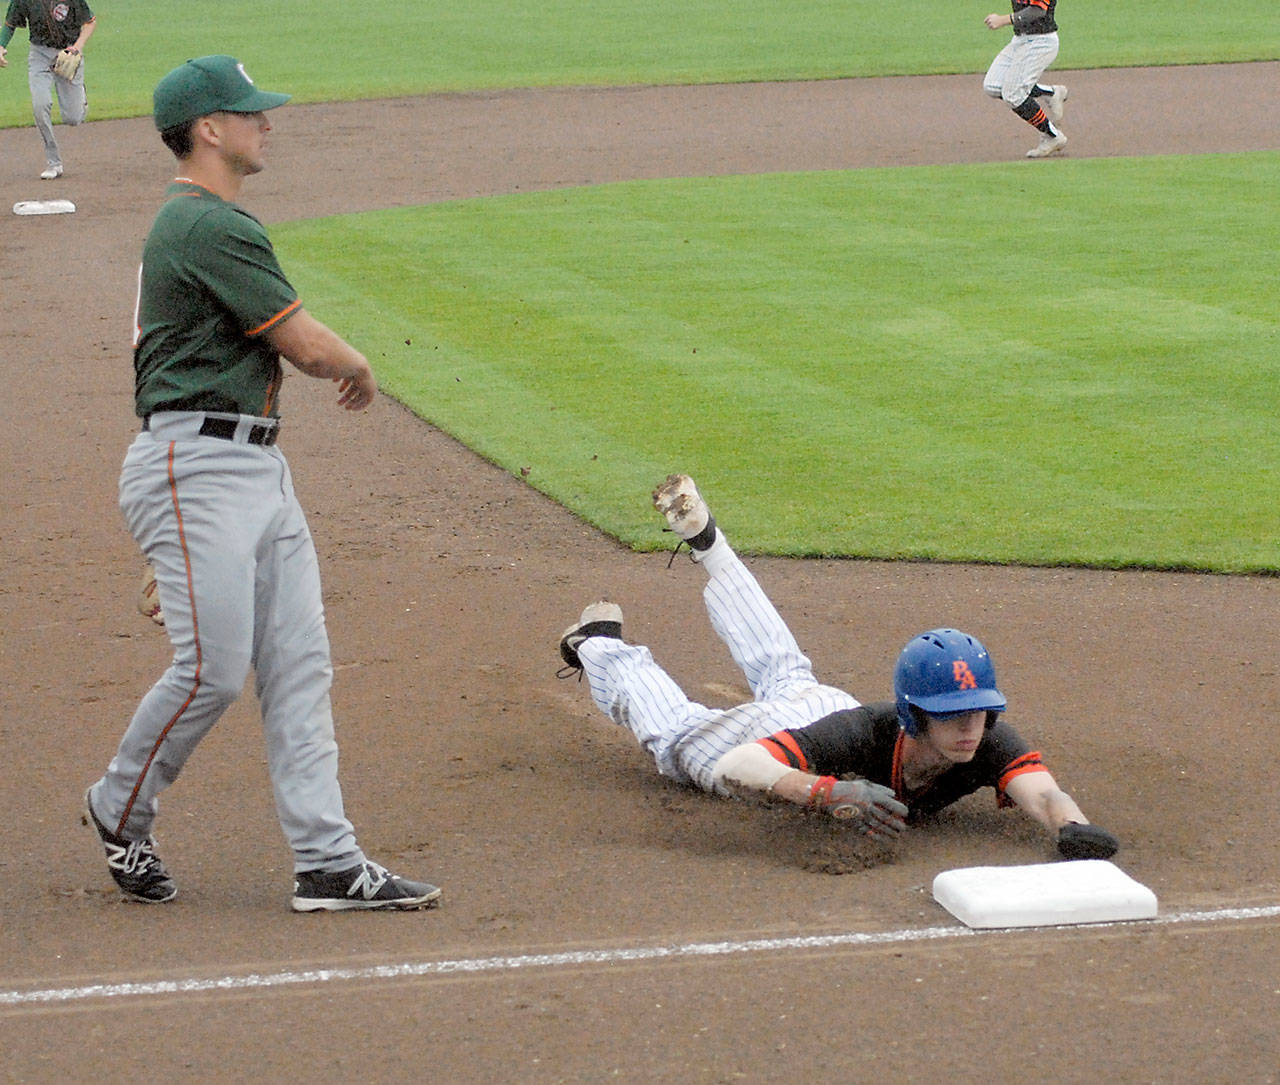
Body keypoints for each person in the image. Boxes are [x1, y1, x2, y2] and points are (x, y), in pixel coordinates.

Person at [83, 55, 442, 912]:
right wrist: (357, 363)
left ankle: (327, 860)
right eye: (250, 113)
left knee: (299, 664)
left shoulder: (202, 223)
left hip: (248, 469)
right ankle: (119, 805)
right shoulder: (210, 226)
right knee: (210, 670)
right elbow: (308, 346)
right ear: (209, 129)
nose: (266, 122)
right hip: (196, 466)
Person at [558, 474, 1119, 859]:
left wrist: (1073, 828)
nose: (971, 728)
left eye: (979, 713)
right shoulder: (863, 734)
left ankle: (710, 544)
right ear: (912, 714)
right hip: (805, 730)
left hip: (823, 709)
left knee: (785, 669)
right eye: (952, 716)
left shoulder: (984, 741)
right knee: (678, 741)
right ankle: (599, 643)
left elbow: (1045, 796)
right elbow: (740, 763)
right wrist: (825, 793)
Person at [0, 0, 95, 179]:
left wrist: (77, 46)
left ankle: (81, 98)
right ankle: (54, 162)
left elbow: (90, 22)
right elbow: (9, 24)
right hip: (40, 55)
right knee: (40, 106)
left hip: (68, 53)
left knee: (73, 118)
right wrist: (1, 46)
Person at [982, 2, 1069, 159]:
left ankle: (1053, 136)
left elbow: (1037, 11)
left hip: (1042, 42)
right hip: (1020, 40)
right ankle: (1051, 93)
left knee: (1013, 94)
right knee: (993, 85)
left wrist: (1002, 20)